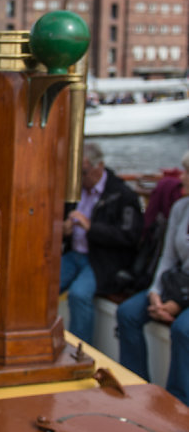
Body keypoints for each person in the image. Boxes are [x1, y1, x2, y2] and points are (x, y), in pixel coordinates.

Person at [117, 153, 189, 405]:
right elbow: (167, 257)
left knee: (184, 330)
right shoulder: (181, 208)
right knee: (127, 313)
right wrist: (155, 292)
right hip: (176, 285)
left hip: (182, 294)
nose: (181, 177)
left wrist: (178, 304)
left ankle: (177, 404)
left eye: (187, 172)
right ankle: (136, 386)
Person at [60, 141, 142, 344]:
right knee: (42, 285)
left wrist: (91, 228)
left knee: (79, 295)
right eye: (76, 172)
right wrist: (65, 230)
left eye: (84, 172)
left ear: (99, 166)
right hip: (74, 254)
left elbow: (130, 236)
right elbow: (63, 223)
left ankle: (78, 351)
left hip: (102, 261)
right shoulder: (75, 190)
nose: (80, 178)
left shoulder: (123, 195)